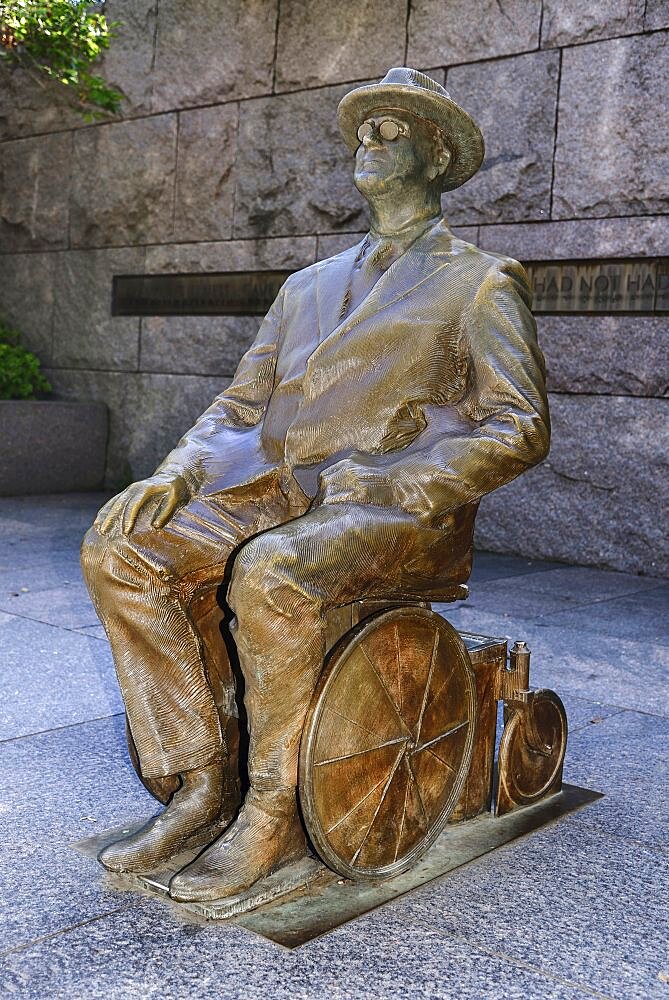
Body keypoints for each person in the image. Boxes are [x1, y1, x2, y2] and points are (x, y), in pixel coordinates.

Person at [80, 67, 550, 903]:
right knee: (122, 552)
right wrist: (178, 474)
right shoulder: (305, 286)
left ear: (436, 155)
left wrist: (401, 482)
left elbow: (518, 427)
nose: (367, 141)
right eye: (361, 130)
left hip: (394, 511)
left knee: (272, 570)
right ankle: (197, 785)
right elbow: (241, 402)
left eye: (391, 129)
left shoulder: (478, 280)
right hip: (272, 489)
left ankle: (269, 808)